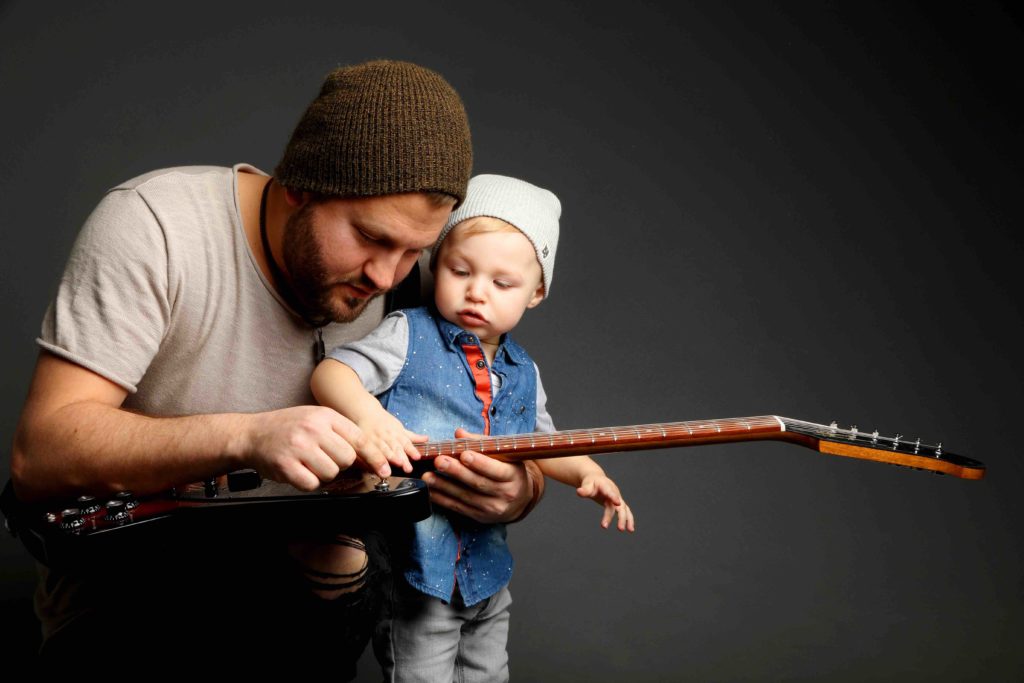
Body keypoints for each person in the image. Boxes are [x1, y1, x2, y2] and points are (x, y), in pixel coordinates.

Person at [8, 60, 547, 672]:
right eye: (370, 237)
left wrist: (516, 491)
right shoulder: (156, 225)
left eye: (415, 251)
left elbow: (491, 417)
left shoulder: (414, 283)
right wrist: (246, 434)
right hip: (131, 607)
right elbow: (39, 456)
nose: (387, 276)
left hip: (313, 612)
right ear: (300, 185)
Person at [311, 174, 634, 682]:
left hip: (486, 571)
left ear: (536, 293)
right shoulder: (407, 333)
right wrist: (372, 420)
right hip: (419, 571)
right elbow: (330, 374)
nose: (476, 293)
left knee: (489, 675)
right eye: (459, 270)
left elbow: (540, 443)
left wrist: (587, 473)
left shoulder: (523, 370)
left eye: (502, 283)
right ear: (436, 263)